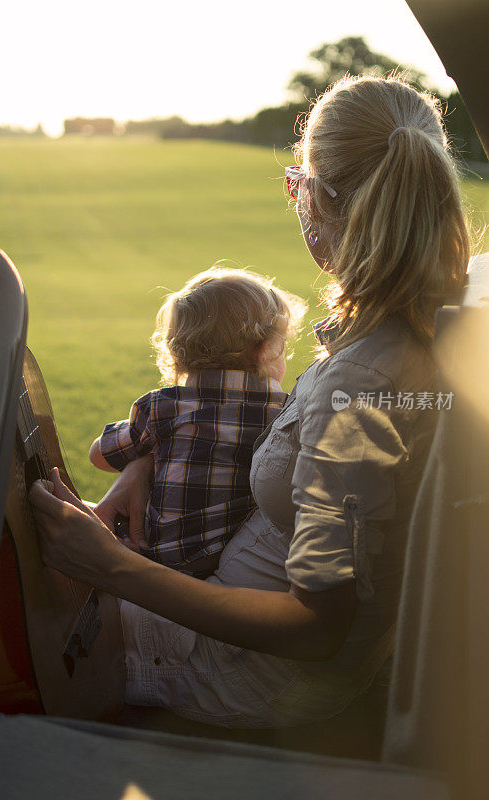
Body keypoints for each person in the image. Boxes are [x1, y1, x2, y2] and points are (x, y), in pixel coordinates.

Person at [30, 75, 470, 728]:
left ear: (315, 197)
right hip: (240, 634)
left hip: (245, 677)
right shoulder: (408, 333)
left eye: (297, 181)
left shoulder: (359, 388)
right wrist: (146, 463)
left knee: (19, 613)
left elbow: (316, 626)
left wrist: (113, 568)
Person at [88, 267, 306, 577]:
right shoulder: (284, 413)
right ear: (264, 350)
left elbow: (100, 456)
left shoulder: (165, 406)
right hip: (234, 561)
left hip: (160, 557)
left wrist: (145, 449)